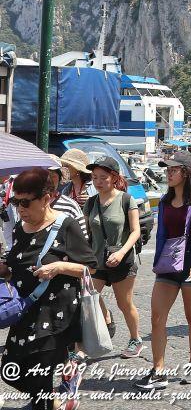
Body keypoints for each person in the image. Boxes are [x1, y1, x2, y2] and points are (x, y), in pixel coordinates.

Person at [0, 168, 95, 410]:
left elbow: (89, 268)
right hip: (25, 311)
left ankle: (47, 402)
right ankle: (54, 400)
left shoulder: (66, 225)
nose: (20, 209)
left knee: (39, 376)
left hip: (55, 315)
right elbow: (15, 267)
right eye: (15, 201)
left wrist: (59, 266)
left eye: (25, 202)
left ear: (46, 198)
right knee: (9, 370)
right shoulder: (21, 227)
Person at [136, 151, 191, 390]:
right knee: (157, 318)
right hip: (168, 266)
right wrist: (158, 260)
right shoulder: (164, 200)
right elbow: (162, 235)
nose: (168, 173)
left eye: (173, 169)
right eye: (167, 169)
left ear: (186, 173)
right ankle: (158, 370)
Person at [84, 155, 144, 358]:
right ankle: (85, 342)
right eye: (94, 178)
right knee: (88, 297)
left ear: (114, 177)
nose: (98, 182)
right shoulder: (91, 203)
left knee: (124, 304)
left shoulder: (127, 200)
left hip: (122, 259)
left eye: (103, 177)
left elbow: (135, 231)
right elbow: (87, 233)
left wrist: (120, 252)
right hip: (97, 260)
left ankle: (135, 338)